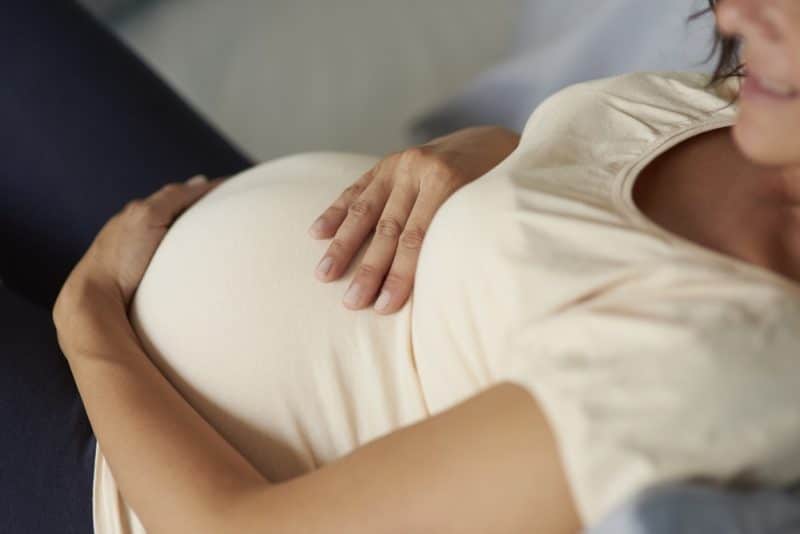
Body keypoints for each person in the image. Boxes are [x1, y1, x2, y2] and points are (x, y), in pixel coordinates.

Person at [5, 1, 800, 534]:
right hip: (195, 217)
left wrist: (92, 320)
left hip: (123, 479)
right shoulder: (762, 100)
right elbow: (555, 217)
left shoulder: (727, 368)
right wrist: (480, 151)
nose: (733, 14)